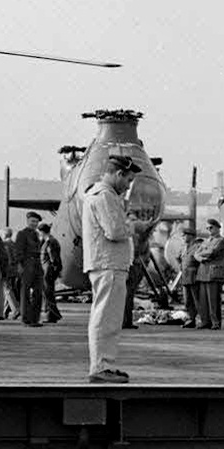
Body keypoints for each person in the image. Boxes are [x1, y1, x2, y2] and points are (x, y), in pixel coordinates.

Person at [83, 154, 139, 383]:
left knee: (108, 317)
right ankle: (100, 366)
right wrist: (132, 225)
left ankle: (103, 363)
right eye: (128, 180)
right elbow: (115, 231)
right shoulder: (105, 195)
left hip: (108, 263)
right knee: (106, 317)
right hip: (109, 264)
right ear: (118, 174)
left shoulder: (100, 194)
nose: (128, 186)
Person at [194, 218, 224, 330]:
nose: (209, 230)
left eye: (211, 227)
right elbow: (196, 254)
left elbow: (212, 252)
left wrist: (201, 254)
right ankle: (205, 321)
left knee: (213, 300)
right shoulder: (206, 241)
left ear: (218, 228)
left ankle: (215, 322)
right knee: (203, 300)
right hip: (203, 273)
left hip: (213, 273)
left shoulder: (221, 241)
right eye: (207, 228)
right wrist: (201, 258)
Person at [14, 213, 45, 326]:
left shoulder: (36, 234)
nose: (34, 224)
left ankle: (35, 319)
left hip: (37, 264)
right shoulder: (22, 234)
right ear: (27, 221)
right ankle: (26, 319)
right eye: (32, 221)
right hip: (27, 264)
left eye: (36, 222)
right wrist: (19, 266)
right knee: (25, 292)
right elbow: (18, 251)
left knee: (38, 292)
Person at [38, 222, 63, 322]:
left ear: (42, 232)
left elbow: (53, 258)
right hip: (48, 270)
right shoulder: (51, 240)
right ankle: (51, 316)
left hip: (47, 271)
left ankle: (54, 314)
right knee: (48, 293)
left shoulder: (49, 242)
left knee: (47, 293)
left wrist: (55, 268)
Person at [177, 226, 201, 328]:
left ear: (191, 236)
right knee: (187, 301)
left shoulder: (197, 246)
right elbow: (179, 258)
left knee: (197, 300)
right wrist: (180, 264)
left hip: (194, 276)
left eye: (185, 235)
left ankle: (201, 320)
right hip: (185, 277)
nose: (183, 237)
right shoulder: (184, 248)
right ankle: (191, 319)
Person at [0, 228, 20, 320]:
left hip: (7, 269)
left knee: (7, 289)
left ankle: (16, 309)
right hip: (15, 270)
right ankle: (5, 312)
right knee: (9, 289)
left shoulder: (5, 244)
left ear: (4, 234)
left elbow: (8, 259)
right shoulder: (14, 244)